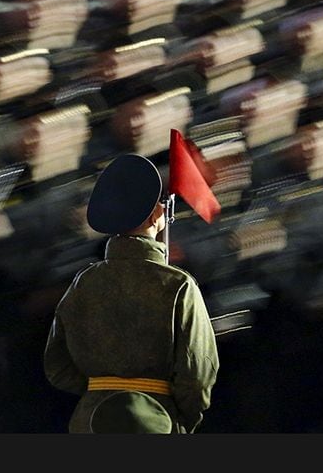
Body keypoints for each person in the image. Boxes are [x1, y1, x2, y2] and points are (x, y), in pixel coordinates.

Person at [43, 153, 219, 433]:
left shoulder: (84, 282)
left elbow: (57, 366)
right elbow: (197, 373)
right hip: (156, 423)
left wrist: (102, 391)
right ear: (156, 215)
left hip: (89, 422)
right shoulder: (179, 285)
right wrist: (181, 418)